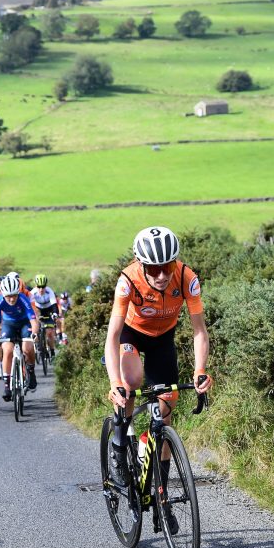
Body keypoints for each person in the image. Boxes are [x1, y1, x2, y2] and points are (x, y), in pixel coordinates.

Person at [103, 226, 213, 529]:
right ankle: (117, 443)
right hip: (132, 335)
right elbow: (112, 337)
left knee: (166, 409)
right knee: (133, 382)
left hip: (163, 338)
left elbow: (199, 331)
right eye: (154, 268)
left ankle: (162, 499)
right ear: (142, 264)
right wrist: (115, 383)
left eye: (166, 267)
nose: (162, 275)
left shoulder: (187, 278)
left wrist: (200, 370)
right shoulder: (127, 281)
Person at [0, 274, 40, 399]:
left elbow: (33, 321)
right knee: (7, 350)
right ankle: (7, 385)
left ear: (18, 293)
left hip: (25, 323)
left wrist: (35, 333)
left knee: (27, 348)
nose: (12, 299)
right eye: (8, 296)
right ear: (3, 294)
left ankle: (31, 372)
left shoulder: (23, 299)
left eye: (14, 295)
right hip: (9, 325)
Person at [29, 274, 62, 353]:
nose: (41, 289)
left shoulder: (49, 291)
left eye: (43, 287)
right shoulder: (32, 293)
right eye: (39, 287)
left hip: (48, 310)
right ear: (36, 285)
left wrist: (55, 313)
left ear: (46, 286)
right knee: (36, 327)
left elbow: (54, 304)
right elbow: (29, 306)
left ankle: (52, 350)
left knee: (49, 333)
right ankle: (38, 343)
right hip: (38, 310)